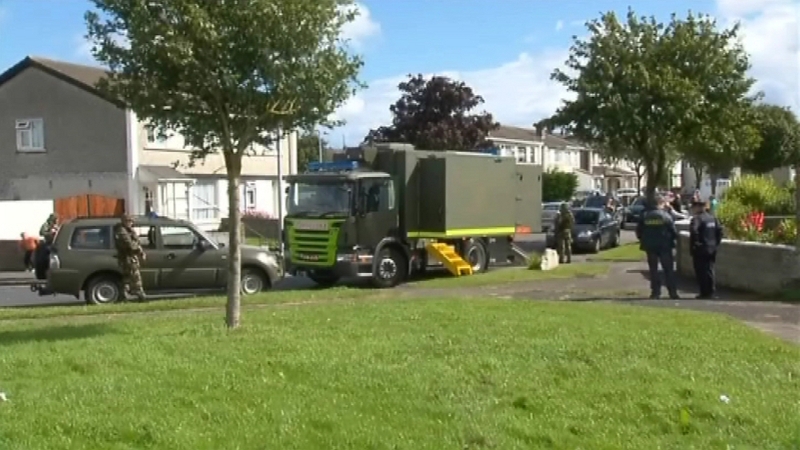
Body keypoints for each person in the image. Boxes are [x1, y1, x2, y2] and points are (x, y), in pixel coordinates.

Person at [636, 196, 680, 299]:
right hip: (665, 246)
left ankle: (655, 292)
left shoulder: (645, 215)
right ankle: (672, 292)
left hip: (650, 247)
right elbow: (673, 231)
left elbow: (639, 231)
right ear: (660, 204)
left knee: (653, 270)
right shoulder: (666, 216)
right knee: (668, 270)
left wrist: (644, 240)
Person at [689, 199, 723, 299]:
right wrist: (716, 244)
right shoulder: (713, 218)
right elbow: (720, 232)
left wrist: (696, 244)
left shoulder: (697, 219)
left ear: (698, 207)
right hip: (712, 248)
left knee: (700, 271)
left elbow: (694, 231)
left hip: (700, 249)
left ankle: (704, 292)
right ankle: (711, 291)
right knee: (710, 269)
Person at [113, 215, 147, 302]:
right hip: (127, 258)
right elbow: (130, 245)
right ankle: (141, 295)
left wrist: (140, 250)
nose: (131, 223)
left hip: (130, 257)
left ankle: (123, 296)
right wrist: (138, 248)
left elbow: (136, 242)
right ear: (125, 221)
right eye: (129, 221)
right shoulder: (121, 231)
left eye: (132, 221)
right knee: (135, 277)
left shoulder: (129, 230)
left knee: (127, 278)